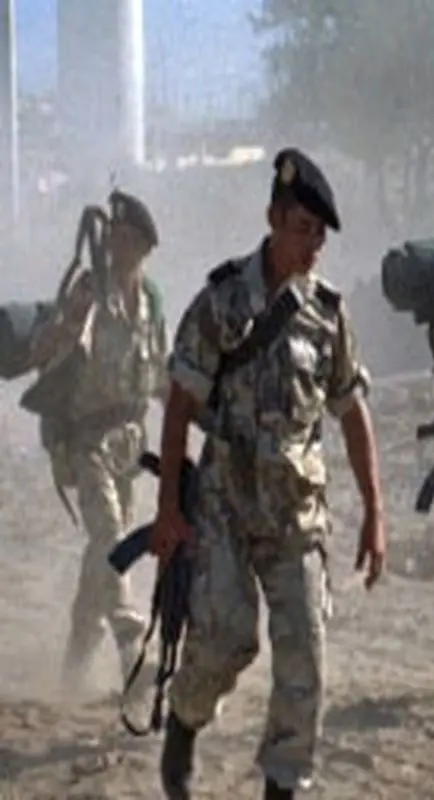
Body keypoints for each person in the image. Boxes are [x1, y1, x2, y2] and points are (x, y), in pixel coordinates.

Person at [148, 148, 387, 799]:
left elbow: (352, 411)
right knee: (226, 641)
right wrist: (169, 509)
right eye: (302, 228)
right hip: (224, 507)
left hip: (296, 516)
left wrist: (375, 511)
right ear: (273, 220)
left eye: (321, 234)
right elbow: (180, 407)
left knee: (305, 660)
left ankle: (283, 784)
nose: (313, 245)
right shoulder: (222, 301)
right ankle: (185, 721)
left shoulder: (328, 316)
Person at [27, 190, 168, 696]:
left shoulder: (150, 302)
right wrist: (68, 323)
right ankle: (132, 649)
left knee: (99, 562)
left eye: (128, 241)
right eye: (114, 239)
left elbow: (160, 374)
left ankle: (73, 669)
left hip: (128, 445)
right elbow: (45, 349)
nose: (117, 249)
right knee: (111, 539)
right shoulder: (89, 290)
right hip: (85, 441)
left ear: (145, 248)